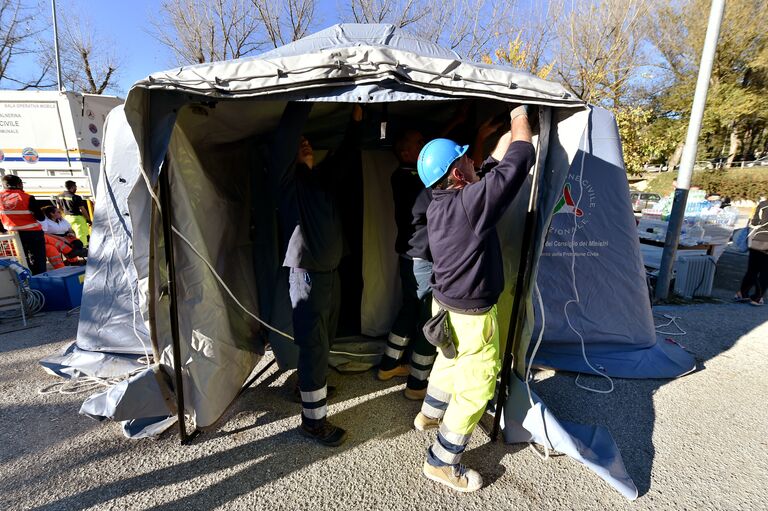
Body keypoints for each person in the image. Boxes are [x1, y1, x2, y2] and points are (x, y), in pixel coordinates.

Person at [413, 105, 535, 492]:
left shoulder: (439, 203)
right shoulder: (470, 204)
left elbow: (494, 164)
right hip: (472, 313)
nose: (472, 161)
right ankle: (442, 461)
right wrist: (519, 116)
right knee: (478, 383)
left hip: (445, 303)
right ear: (455, 172)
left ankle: (429, 416)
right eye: (466, 158)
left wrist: (500, 142)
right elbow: (520, 159)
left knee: (449, 361)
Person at [274, 103, 363, 447]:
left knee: (322, 340)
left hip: (329, 273)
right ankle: (313, 424)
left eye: (309, 142)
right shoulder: (287, 183)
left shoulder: (319, 180)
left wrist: (355, 120)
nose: (305, 145)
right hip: (307, 276)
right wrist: (303, 98)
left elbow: (344, 156)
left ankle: (307, 386)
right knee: (313, 345)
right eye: (301, 144)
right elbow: (285, 139)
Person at [377, 129, 438, 400]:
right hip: (423, 262)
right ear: (405, 153)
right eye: (420, 142)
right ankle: (417, 384)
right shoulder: (414, 182)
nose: (425, 147)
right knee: (429, 319)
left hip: (410, 259)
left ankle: (388, 366)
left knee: (409, 310)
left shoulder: (401, 176)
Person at [0, 175, 47, 275]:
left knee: (20, 260)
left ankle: (26, 283)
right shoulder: (27, 197)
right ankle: (40, 282)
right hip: (33, 234)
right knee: (38, 261)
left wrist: (3, 231)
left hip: (12, 235)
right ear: (19, 184)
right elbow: (41, 217)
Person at [736, 197, 768, 305]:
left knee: (752, 269)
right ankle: (757, 297)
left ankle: (743, 293)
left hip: (758, 240)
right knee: (765, 272)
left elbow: (754, 222)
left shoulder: (763, 205)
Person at [57, 180, 91, 247]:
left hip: (66, 217)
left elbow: (59, 208)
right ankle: (82, 248)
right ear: (72, 187)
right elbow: (83, 209)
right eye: (75, 187)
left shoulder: (59, 196)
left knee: (70, 234)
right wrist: (88, 219)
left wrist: (62, 217)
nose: (76, 188)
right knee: (81, 233)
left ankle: (72, 247)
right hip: (77, 218)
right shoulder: (76, 197)